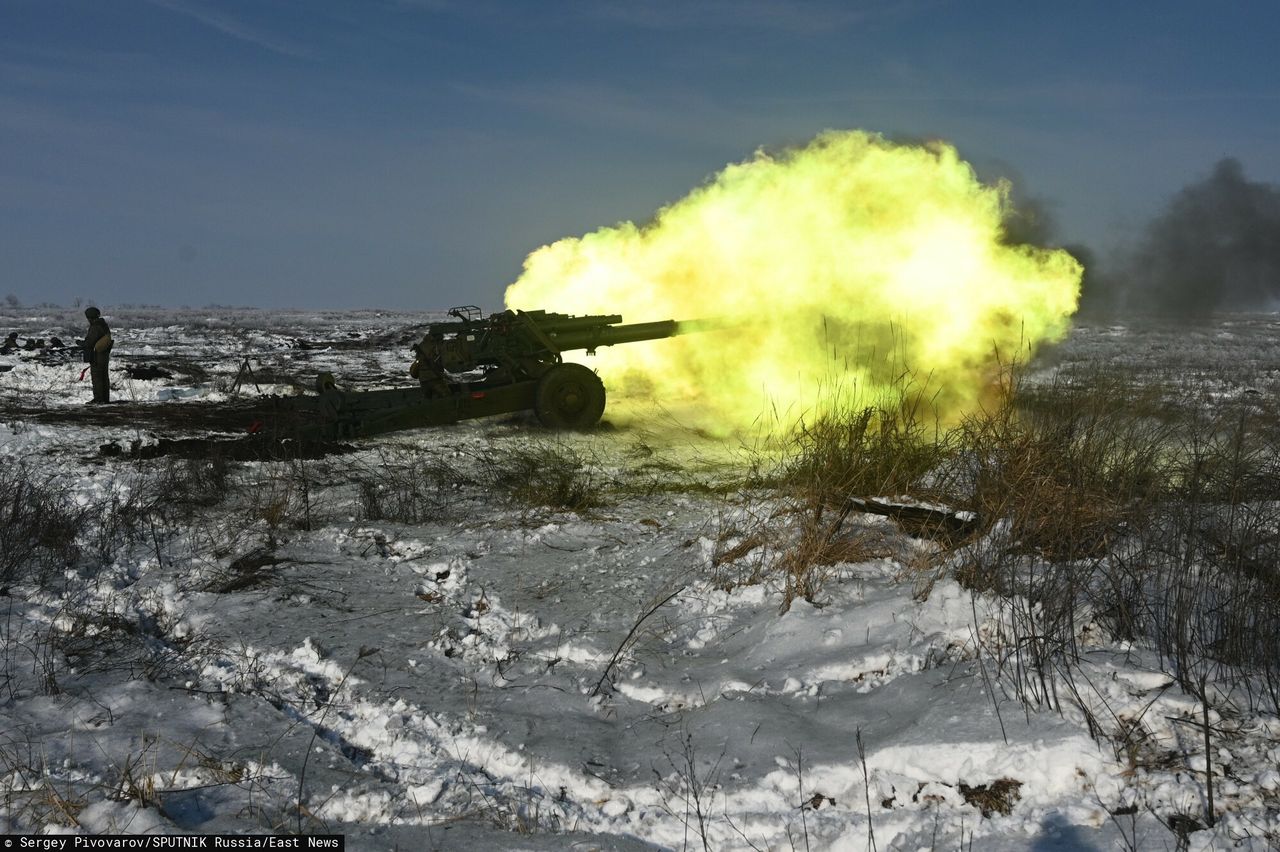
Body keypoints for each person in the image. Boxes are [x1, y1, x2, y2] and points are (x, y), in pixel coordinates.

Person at [82, 306, 113, 403]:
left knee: (97, 377)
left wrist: (81, 343)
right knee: (104, 377)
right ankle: (105, 399)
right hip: (104, 355)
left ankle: (99, 399)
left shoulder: (95, 326)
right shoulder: (103, 324)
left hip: (97, 356)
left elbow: (90, 342)